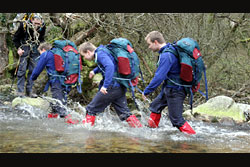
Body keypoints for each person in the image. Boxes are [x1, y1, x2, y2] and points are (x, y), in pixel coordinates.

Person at [142, 31, 196, 134]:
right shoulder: (169, 50)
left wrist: (147, 91)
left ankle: (194, 139)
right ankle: (151, 132)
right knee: (155, 106)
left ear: (156, 42)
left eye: (149, 44)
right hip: (169, 88)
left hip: (176, 90)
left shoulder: (167, 55)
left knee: (176, 120)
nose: (149, 47)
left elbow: (159, 76)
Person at [78, 42, 142, 128]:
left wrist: (105, 86)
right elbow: (108, 64)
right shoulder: (103, 51)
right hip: (120, 86)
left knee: (91, 109)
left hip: (112, 87)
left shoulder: (100, 54)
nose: (84, 58)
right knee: (124, 113)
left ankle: (86, 133)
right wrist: (94, 71)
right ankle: (140, 129)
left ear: (88, 52)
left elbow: (110, 66)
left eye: (84, 55)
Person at [30, 42, 69, 118]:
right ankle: (53, 117)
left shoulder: (46, 54)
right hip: (66, 80)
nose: (40, 55)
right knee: (59, 100)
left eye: (40, 53)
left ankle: (69, 120)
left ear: (43, 49)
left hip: (56, 81)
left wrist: (32, 78)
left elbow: (38, 69)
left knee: (59, 104)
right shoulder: (60, 53)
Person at [13, 13, 46, 97]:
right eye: (35, 23)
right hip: (25, 45)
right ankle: (20, 91)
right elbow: (15, 38)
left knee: (33, 69)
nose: (37, 26)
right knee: (22, 69)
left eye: (39, 24)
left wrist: (42, 49)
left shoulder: (42, 27)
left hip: (36, 47)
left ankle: (29, 91)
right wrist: (18, 49)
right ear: (32, 20)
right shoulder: (23, 25)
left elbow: (41, 39)